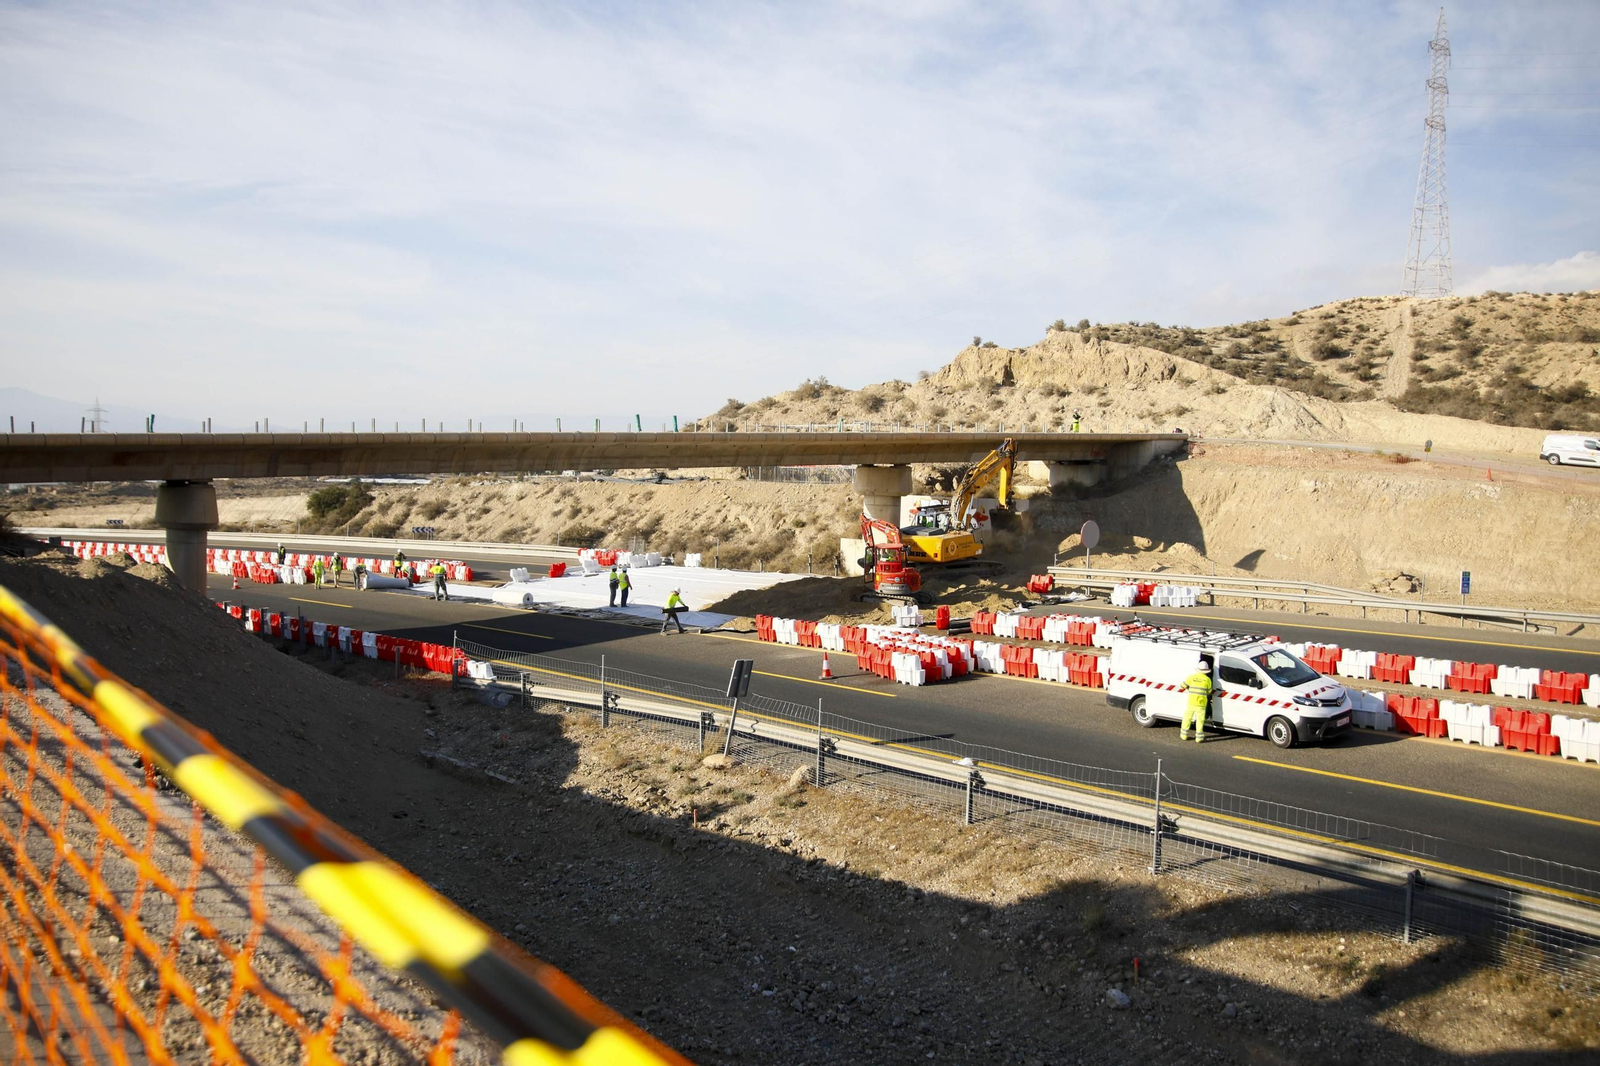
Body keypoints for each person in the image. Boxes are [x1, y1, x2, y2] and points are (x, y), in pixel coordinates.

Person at [1181, 658, 1212, 743]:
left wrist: (1189, 688)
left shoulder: (1191, 677)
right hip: (1201, 703)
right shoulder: (1207, 680)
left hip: (1191, 702)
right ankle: (1199, 738)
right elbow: (1209, 691)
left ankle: (1184, 735)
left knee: (1187, 718)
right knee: (1200, 721)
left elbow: (1182, 685)